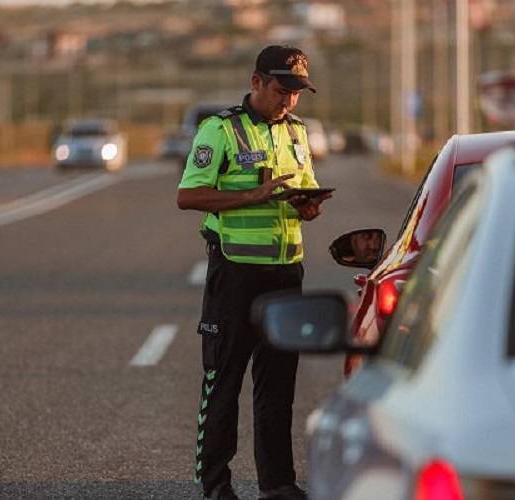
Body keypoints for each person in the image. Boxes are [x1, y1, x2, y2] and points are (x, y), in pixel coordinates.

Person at [177, 45, 331, 500]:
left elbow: (303, 191)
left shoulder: (298, 133)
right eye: (282, 90)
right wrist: (250, 197)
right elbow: (188, 196)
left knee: (278, 385)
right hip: (235, 274)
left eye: (297, 93)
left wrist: (308, 207)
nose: (289, 101)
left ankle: (278, 483)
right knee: (223, 381)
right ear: (256, 82)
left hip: (285, 273)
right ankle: (216, 485)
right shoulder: (220, 130)